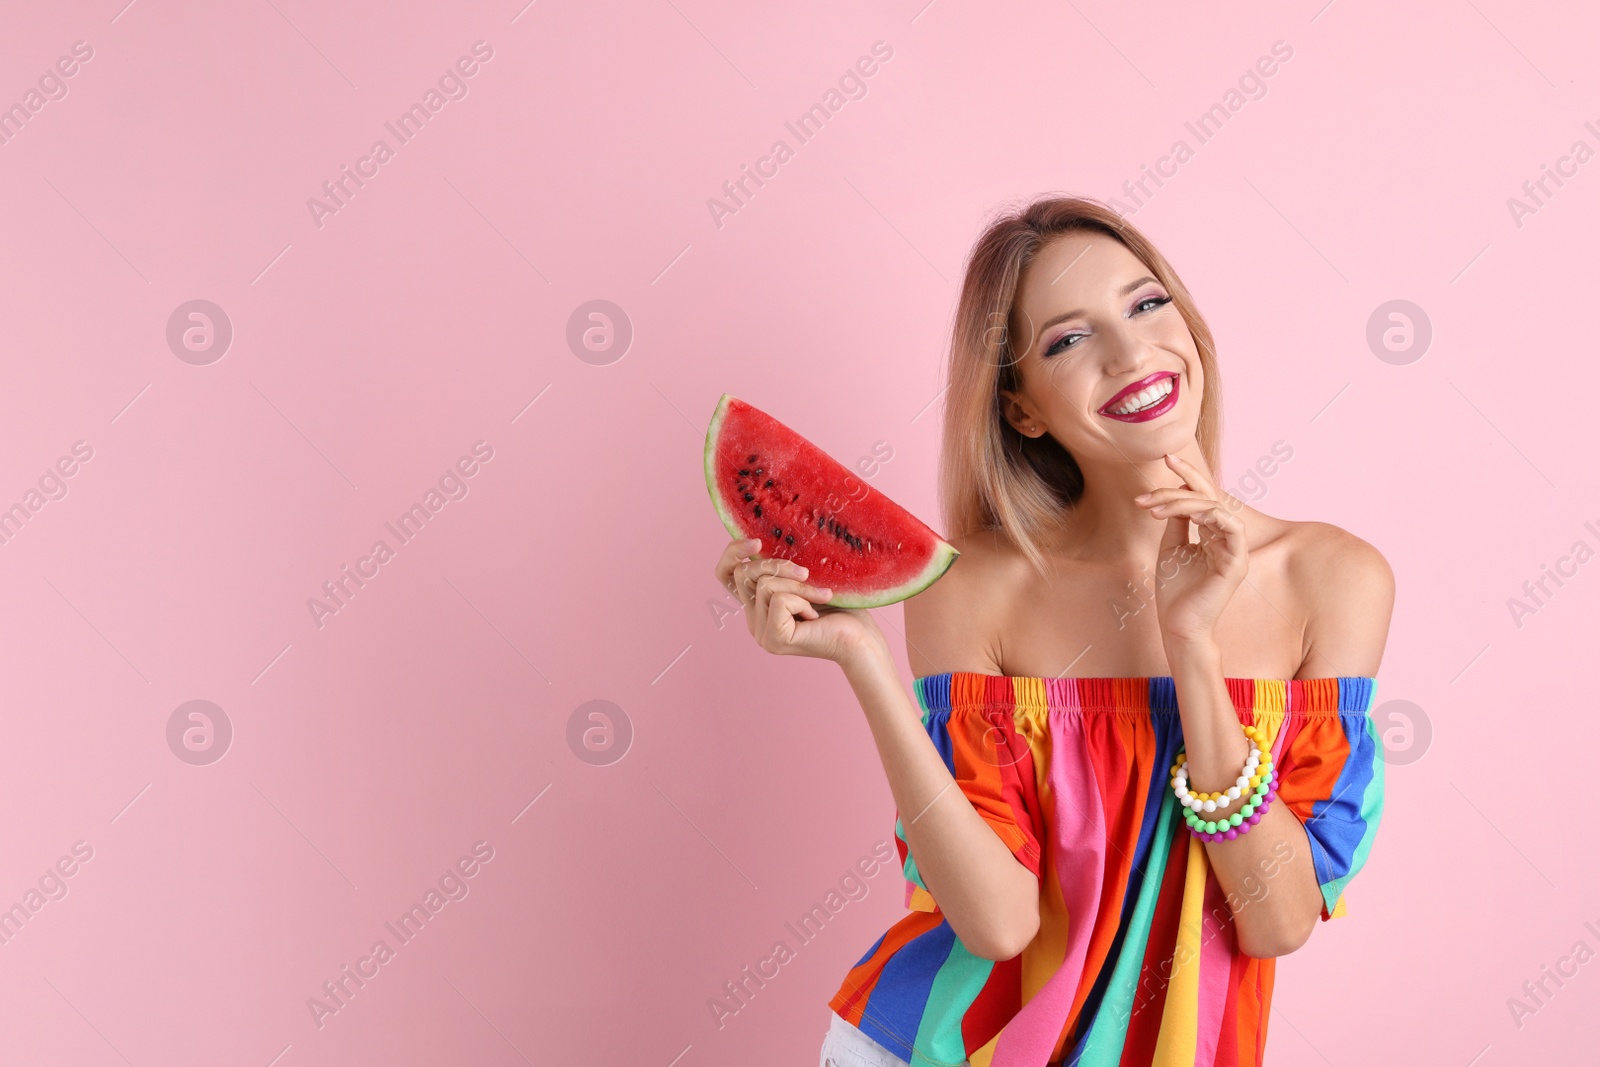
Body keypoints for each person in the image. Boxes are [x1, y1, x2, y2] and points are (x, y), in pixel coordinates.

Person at [712, 196, 1393, 1066]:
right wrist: (862, 659)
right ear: (1023, 409)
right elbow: (998, 923)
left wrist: (1191, 642)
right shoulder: (974, 587)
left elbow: (1278, 916)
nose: (1131, 350)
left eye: (1147, 303)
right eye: (1068, 340)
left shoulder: (1332, 578)